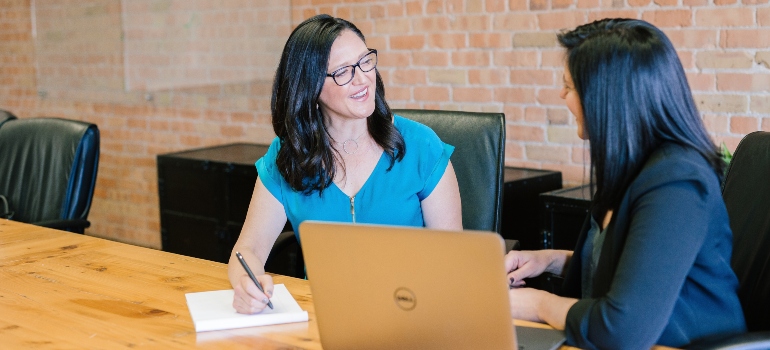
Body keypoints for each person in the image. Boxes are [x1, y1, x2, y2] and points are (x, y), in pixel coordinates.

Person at [504, 19, 746, 349]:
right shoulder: (632, 166)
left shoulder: (677, 183)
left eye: (569, 87)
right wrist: (551, 259)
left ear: (607, 98)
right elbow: (630, 267)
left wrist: (537, 304)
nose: (561, 95)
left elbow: (622, 330)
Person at [228, 14, 462, 315]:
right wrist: (245, 285)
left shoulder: (421, 146)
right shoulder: (288, 157)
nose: (363, 78)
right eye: (343, 72)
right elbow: (247, 250)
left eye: (366, 61)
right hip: (323, 315)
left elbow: (454, 259)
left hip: (411, 313)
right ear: (310, 87)